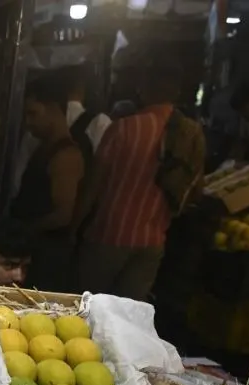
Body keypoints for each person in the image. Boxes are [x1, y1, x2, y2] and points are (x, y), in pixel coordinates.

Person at [77, 62, 205, 301]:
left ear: (143, 88)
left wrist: (75, 226)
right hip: (153, 240)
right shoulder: (191, 133)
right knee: (129, 315)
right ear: (177, 91)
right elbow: (196, 189)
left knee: (89, 307)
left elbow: (94, 185)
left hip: (109, 236)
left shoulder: (124, 128)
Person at [9, 77, 85, 291]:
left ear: (53, 109)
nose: (28, 122)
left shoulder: (66, 155)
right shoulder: (43, 148)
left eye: (33, 113)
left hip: (47, 255)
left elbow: (63, 215)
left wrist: (26, 229)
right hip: (33, 250)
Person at [12, 65, 110, 196]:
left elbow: (16, 183)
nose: (28, 122)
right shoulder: (100, 123)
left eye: (32, 114)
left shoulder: (40, 132)